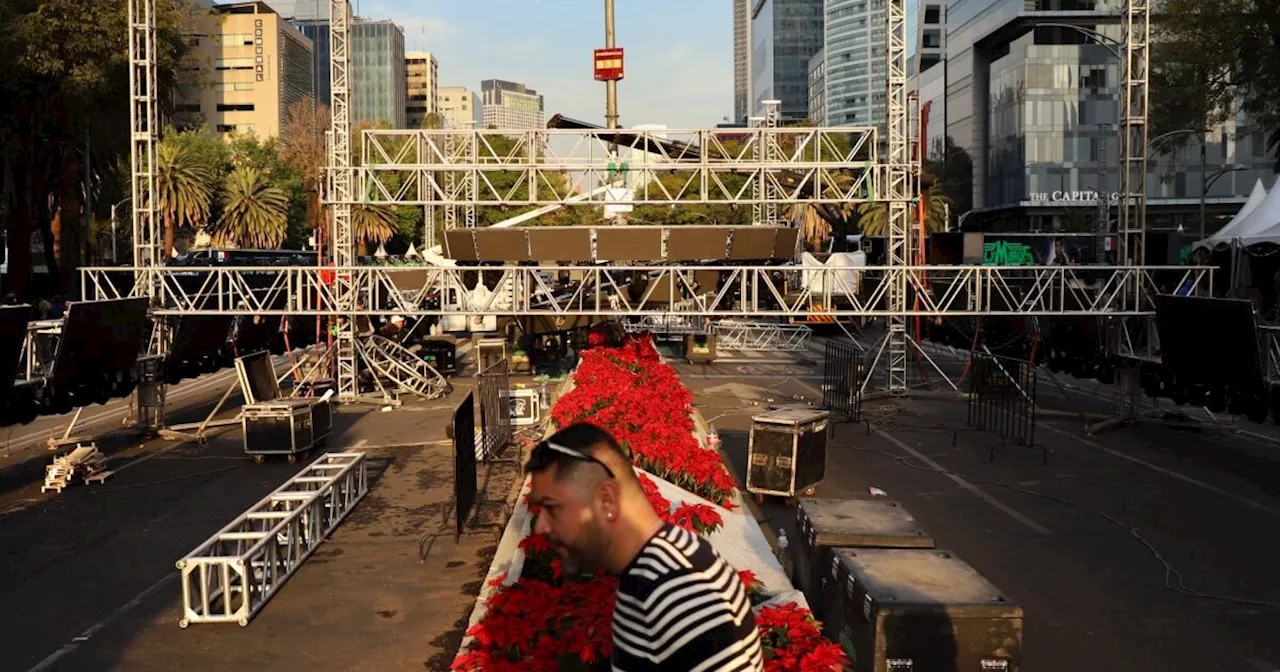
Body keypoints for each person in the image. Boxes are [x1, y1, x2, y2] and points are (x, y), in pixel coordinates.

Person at [527, 423, 764, 671]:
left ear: (606, 501)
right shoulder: (654, 573)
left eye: (552, 507)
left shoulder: (678, 590)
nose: (540, 526)